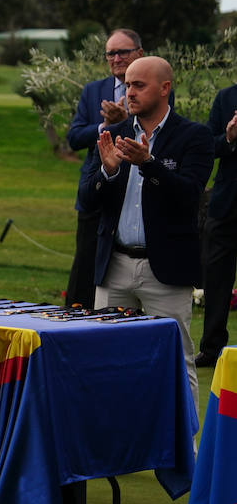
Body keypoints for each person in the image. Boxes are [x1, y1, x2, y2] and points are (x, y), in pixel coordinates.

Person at [79, 56, 212, 400]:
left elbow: (189, 196)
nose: (130, 92)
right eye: (128, 85)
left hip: (165, 269)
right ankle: (112, 445)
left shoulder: (193, 136)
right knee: (105, 357)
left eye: (139, 85)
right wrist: (107, 174)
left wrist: (149, 164)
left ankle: (186, 450)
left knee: (175, 360)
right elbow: (87, 200)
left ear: (165, 88)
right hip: (115, 265)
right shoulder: (115, 134)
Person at [64, 29, 156, 308]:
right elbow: (75, 137)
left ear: (139, 53)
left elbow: (157, 133)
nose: (116, 58)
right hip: (98, 186)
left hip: (135, 193)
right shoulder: (94, 90)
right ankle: (73, 327)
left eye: (123, 52)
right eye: (110, 53)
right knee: (85, 266)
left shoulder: (158, 90)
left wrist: (126, 120)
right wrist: (105, 127)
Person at [199, 81, 237, 368]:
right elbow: (207, 147)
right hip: (227, 204)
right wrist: (228, 138)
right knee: (216, 279)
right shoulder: (226, 97)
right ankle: (211, 349)